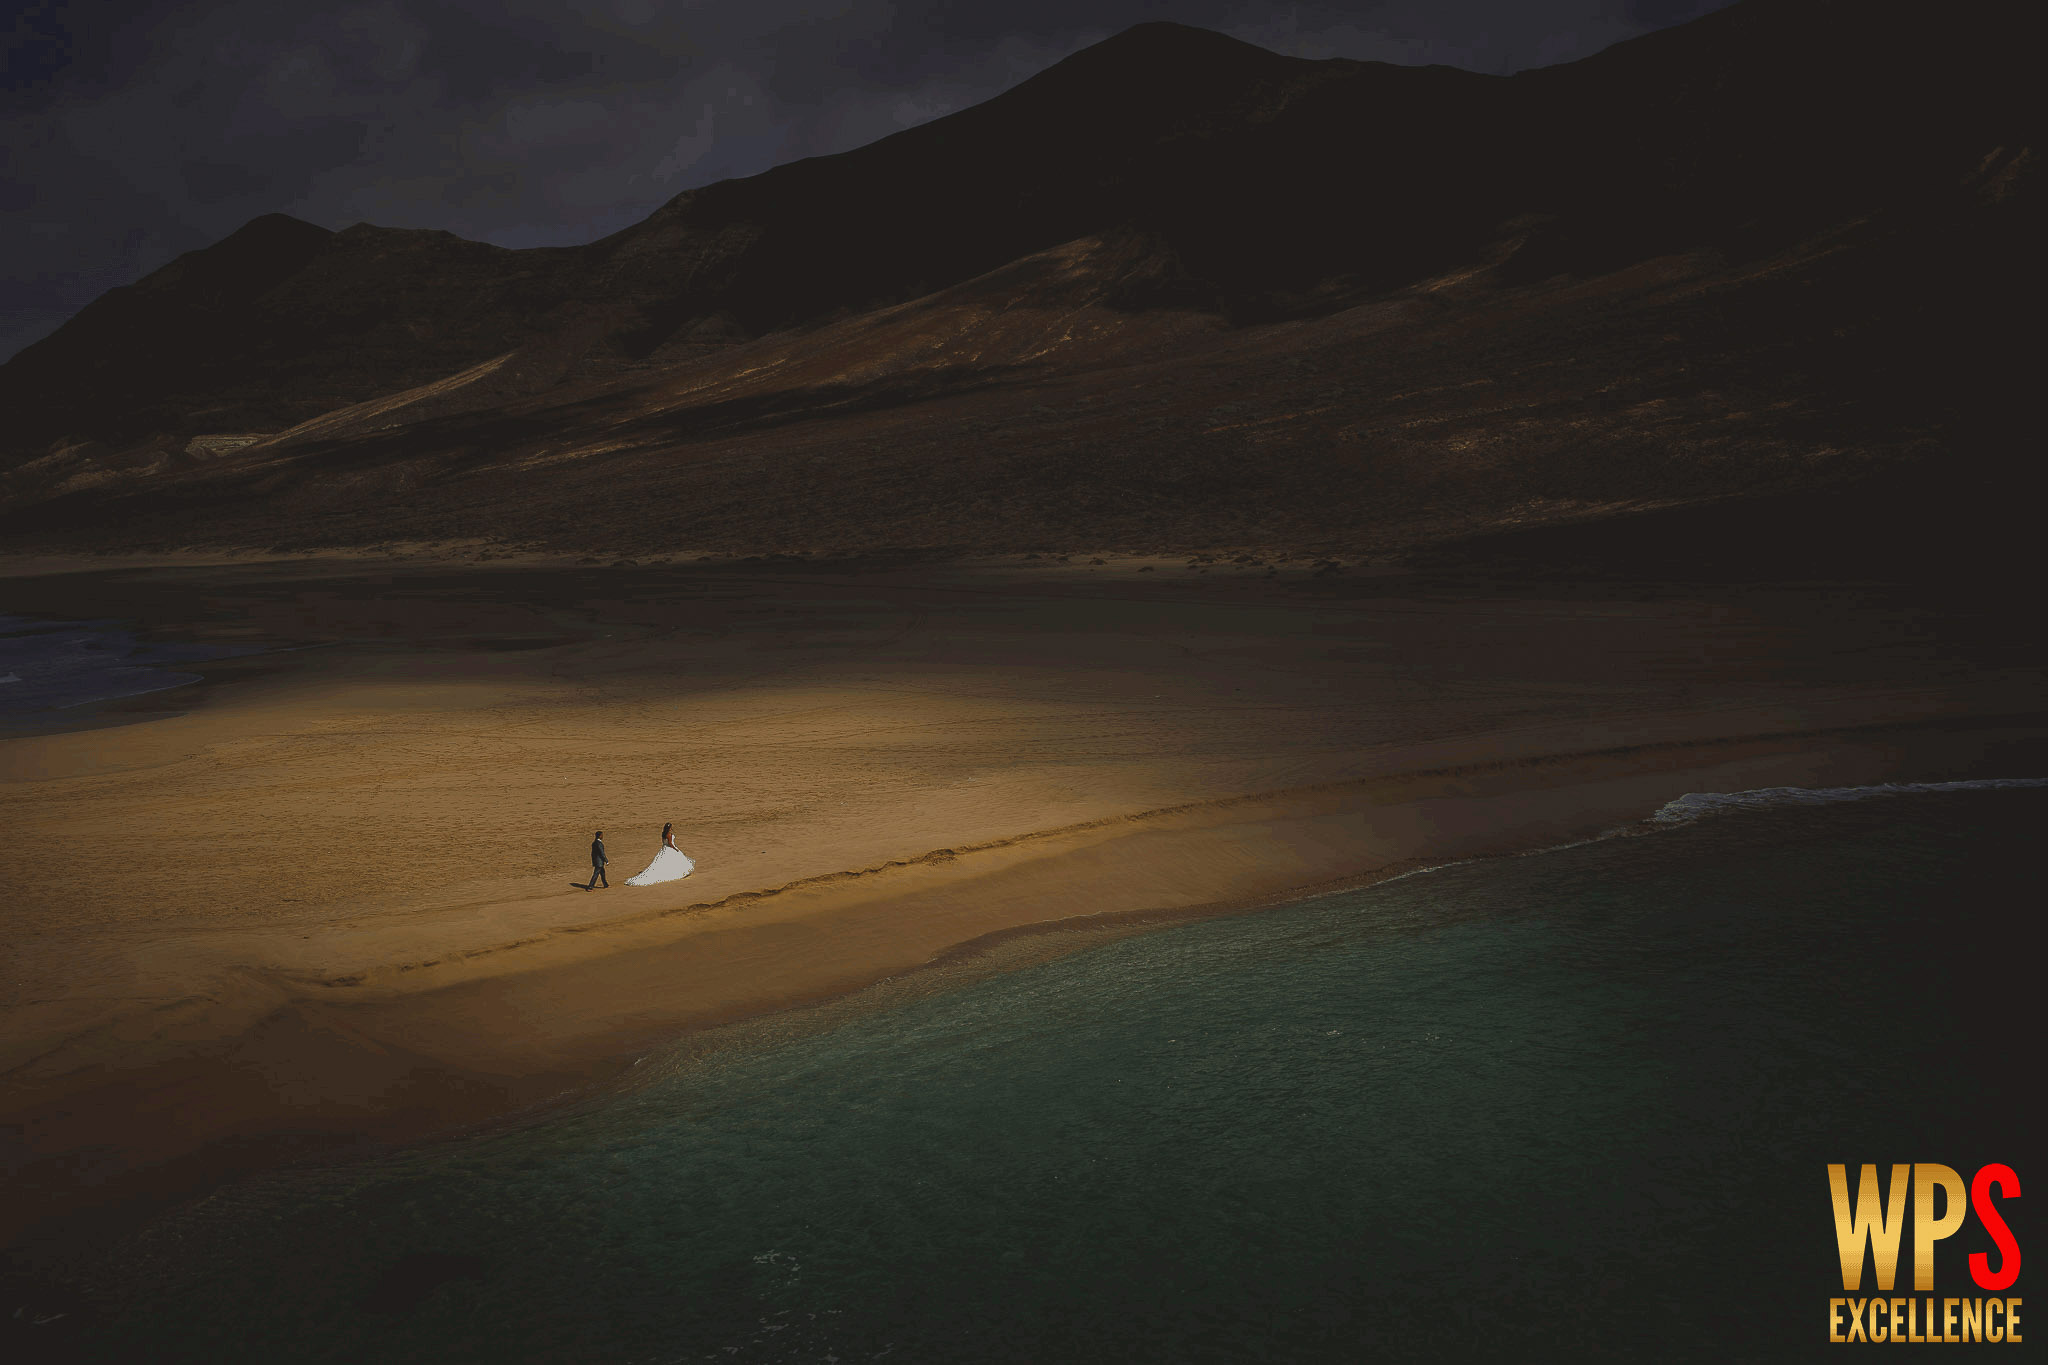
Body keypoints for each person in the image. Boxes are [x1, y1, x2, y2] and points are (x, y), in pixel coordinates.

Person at [625, 821, 696, 885]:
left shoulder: (663, 834)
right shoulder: (669, 834)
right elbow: (670, 843)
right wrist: (675, 849)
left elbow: (663, 842)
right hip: (669, 848)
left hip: (664, 848)